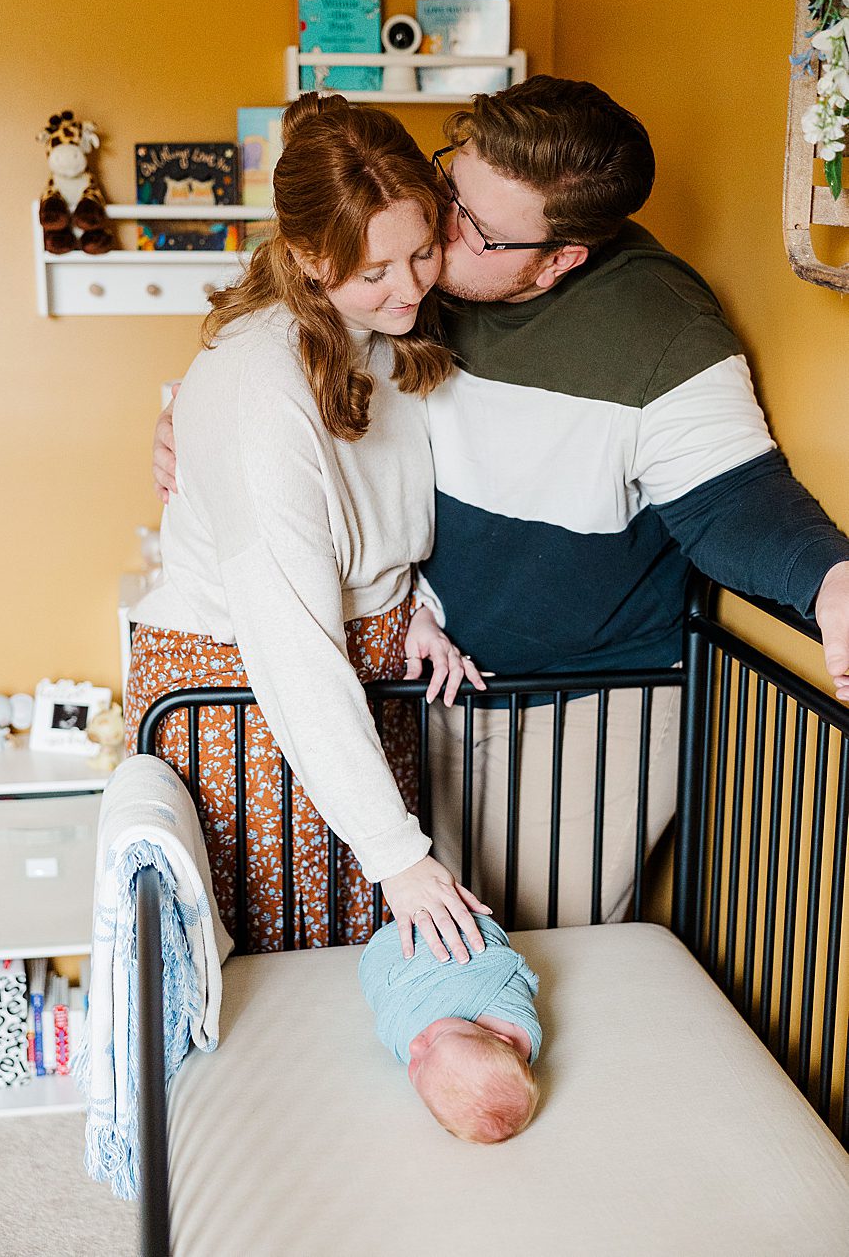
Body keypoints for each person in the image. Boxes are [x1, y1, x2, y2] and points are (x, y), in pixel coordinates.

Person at [153, 75, 849, 930]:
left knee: (527, 964)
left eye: (472, 231)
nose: (436, 240)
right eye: (451, 188)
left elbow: (731, 496)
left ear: (558, 259)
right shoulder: (415, 279)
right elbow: (305, 310)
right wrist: (196, 418)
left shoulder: (660, 329)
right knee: (384, 960)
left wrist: (829, 578)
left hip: (579, 714)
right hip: (411, 697)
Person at [127, 91, 490, 964]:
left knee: (360, 967)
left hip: (353, 691)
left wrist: (413, 608)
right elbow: (288, 640)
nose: (409, 288)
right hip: (247, 702)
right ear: (306, 258)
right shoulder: (261, 383)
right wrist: (397, 854)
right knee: (286, 981)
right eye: (375, 272)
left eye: (423, 250)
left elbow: (384, 519)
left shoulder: (380, 327)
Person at [358, 914, 541, 1143]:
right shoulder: (519, 1027)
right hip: (454, 924)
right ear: (500, 1038)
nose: (414, 1045)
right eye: (434, 1040)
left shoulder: (460, 1054)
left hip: (387, 953)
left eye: (417, 1069)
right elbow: (510, 974)